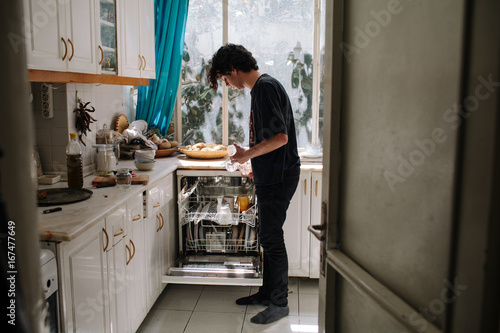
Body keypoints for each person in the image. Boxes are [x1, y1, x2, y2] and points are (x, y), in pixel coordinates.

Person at [208, 44, 301, 325]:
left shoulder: (264, 88)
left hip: (280, 177)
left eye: (225, 78)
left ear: (233, 70)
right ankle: (267, 293)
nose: (228, 84)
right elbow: (272, 140)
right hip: (272, 173)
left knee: (272, 239)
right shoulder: (263, 87)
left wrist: (246, 155)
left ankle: (279, 303)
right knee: (268, 236)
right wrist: (253, 164)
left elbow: (280, 138)